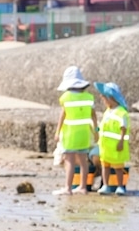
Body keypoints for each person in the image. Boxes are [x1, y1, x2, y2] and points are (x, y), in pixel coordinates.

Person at [53, 65, 98, 195]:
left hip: (70, 134)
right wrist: (96, 130)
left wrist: (57, 132)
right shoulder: (89, 97)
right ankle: (83, 187)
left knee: (69, 160)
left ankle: (68, 187)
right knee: (83, 161)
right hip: (84, 133)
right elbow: (93, 115)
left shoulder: (65, 97)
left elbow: (63, 115)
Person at [94, 81, 130, 195]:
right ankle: (106, 185)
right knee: (105, 166)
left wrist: (121, 141)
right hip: (105, 145)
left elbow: (123, 128)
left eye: (104, 98)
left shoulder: (121, 112)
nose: (103, 100)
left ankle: (120, 186)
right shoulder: (108, 112)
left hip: (116, 146)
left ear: (111, 98)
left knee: (118, 167)